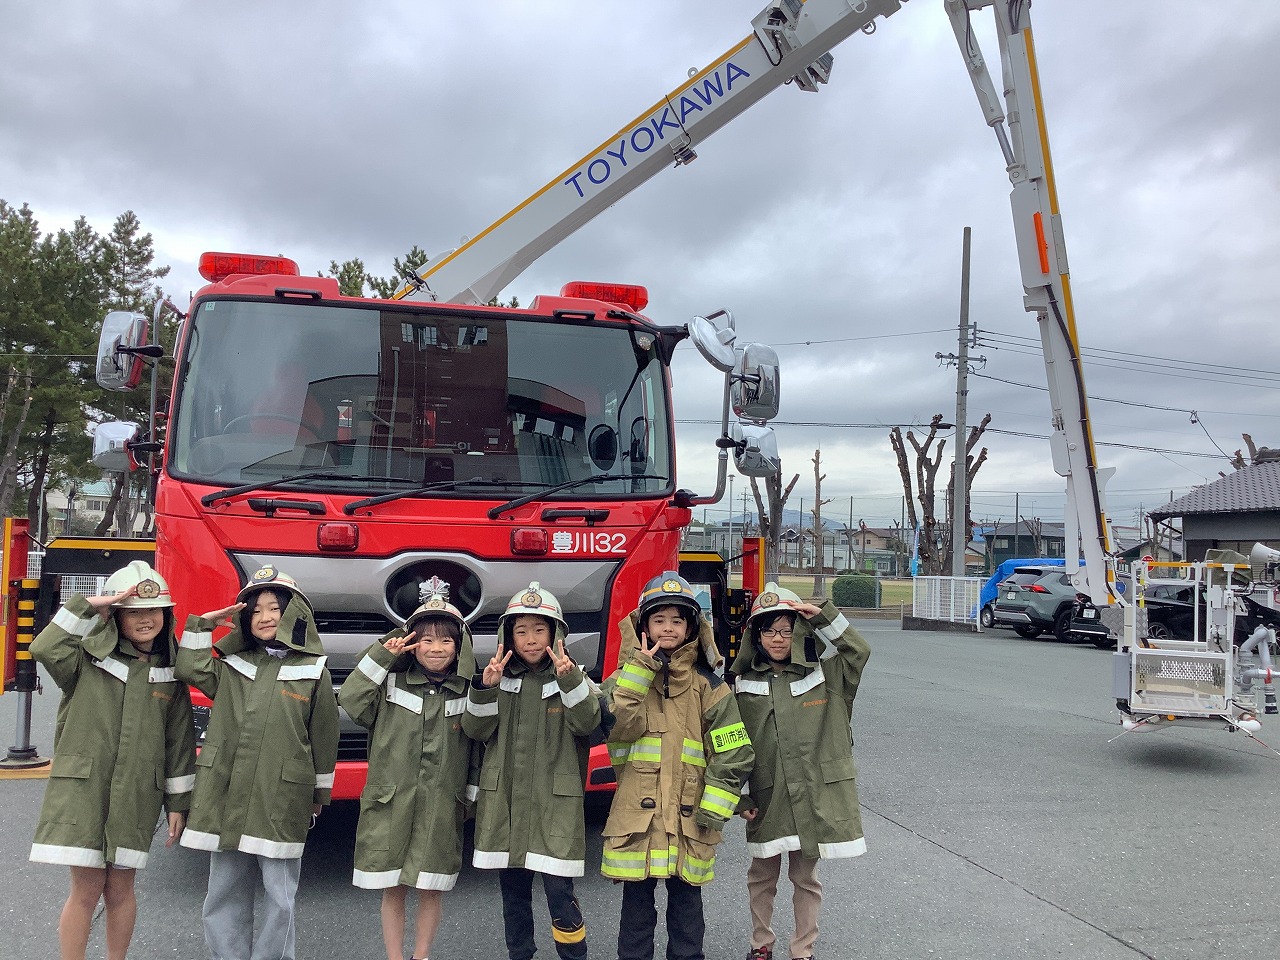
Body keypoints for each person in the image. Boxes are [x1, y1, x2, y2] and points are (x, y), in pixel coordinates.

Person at [29, 560, 195, 960]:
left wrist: (178, 803)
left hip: (136, 794)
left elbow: (179, 743)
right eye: (133, 612)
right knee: (86, 889)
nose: (145, 619)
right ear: (116, 616)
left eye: (153, 611)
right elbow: (43, 648)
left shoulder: (171, 674)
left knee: (121, 889)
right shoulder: (85, 661)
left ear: (166, 615)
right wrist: (89, 606)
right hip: (84, 791)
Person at [176, 564, 339, 960]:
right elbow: (190, 666)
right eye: (256, 610)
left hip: (280, 796)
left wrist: (319, 793)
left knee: (279, 895)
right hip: (226, 792)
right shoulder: (232, 666)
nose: (265, 617)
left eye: (275, 608)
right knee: (223, 889)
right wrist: (202, 625)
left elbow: (323, 736)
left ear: (294, 614)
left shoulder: (313, 670)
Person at [601, 571, 754, 960]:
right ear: (644, 626)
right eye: (659, 619)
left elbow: (733, 751)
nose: (668, 628)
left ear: (691, 628)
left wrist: (713, 811)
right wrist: (640, 671)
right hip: (638, 819)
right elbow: (619, 727)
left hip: (691, 819)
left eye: (677, 620)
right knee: (636, 912)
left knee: (687, 911)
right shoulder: (623, 680)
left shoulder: (710, 686)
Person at [338, 576, 479, 960]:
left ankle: (422, 955)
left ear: (459, 646)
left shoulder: (468, 691)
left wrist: (471, 798)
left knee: (431, 887)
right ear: (412, 642)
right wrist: (383, 656)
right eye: (426, 639)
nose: (436, 648)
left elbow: (477, 748)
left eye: (446, 640)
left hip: (440, 805)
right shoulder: (390, 684)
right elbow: (351, 699)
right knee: (393, 886)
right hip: (392, 804)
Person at [730, 583, 872, 960]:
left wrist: (823, 615)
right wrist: (739, 797)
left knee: (805, 878)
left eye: (787, 629)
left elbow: (857, 651)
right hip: (767, 796)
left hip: (812, 795)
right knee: (761, 876)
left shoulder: (827, 676)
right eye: (769, 630)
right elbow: (730, 746)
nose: (778, 638)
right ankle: (761, 944)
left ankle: (802, 949)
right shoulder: (741, 685)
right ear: (756, 636)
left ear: (800, 632)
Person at [462, 581, 600, 960]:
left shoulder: (573, 676)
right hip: (506, 806)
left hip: (554, 807)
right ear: (508, 637)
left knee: (561, 897)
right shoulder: (496, 679)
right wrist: (485, 688)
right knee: (514, 897)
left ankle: (574, 955)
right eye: (521, 631)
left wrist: (570, 680)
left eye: (540, 629)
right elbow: (475, 731)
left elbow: (588, 723)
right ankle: (519, 954)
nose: (531, 639)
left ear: (555, 635)